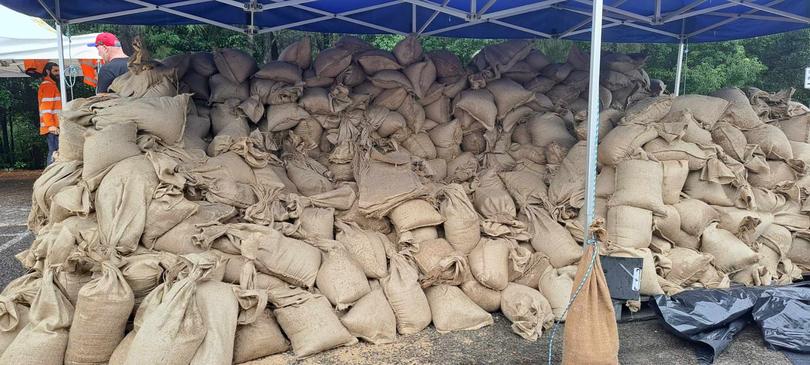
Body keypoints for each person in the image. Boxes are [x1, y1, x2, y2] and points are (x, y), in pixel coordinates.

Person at [37, 62, 61, 166]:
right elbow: (45, 108)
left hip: (53, 126)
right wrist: (51, 125)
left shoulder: (50, 85)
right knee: (54, 153)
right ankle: (49, 178)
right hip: (52, 127)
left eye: (58, 71)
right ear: (47, 71)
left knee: (54, 152)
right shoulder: (48, 86)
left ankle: (50, 178)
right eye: (55, 71)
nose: (58, 73)